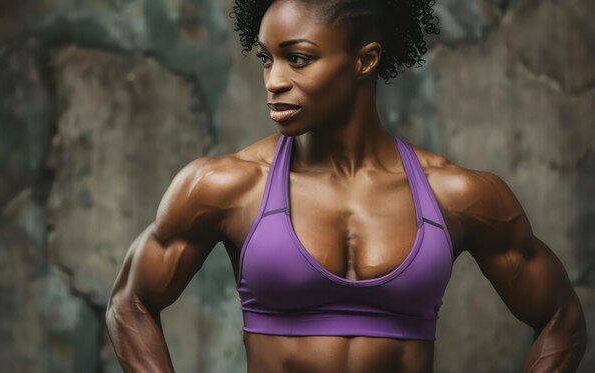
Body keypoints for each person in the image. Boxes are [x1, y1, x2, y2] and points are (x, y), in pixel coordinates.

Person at [105, 0, 588, 371]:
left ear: (365, 60)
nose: (273, 80)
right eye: (266, 58)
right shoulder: (225, 185)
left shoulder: (457, 196)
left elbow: (561, 318)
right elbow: (131, 302)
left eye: (298, 58)